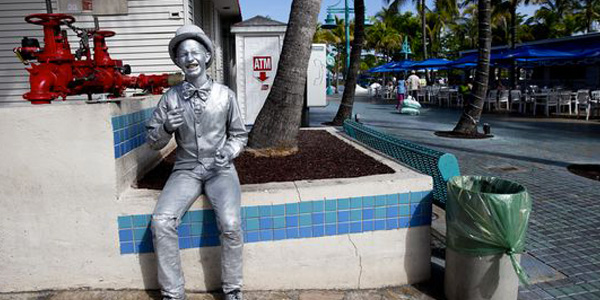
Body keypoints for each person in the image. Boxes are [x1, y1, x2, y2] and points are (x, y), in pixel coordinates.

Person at [146, 24, 248, 300]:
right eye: (183, 54)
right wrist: (166, 127)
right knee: (161, 221)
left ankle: (233, 289)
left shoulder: (226, 95)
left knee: (230, 224)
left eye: (195, 52)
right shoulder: (170, 98)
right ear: (178, 61)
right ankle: (173, 293)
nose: (189, 58)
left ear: (206, 56)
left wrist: (229, 150)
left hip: (220, 170)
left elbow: (240, 135)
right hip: (186, 170)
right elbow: (153, 141)